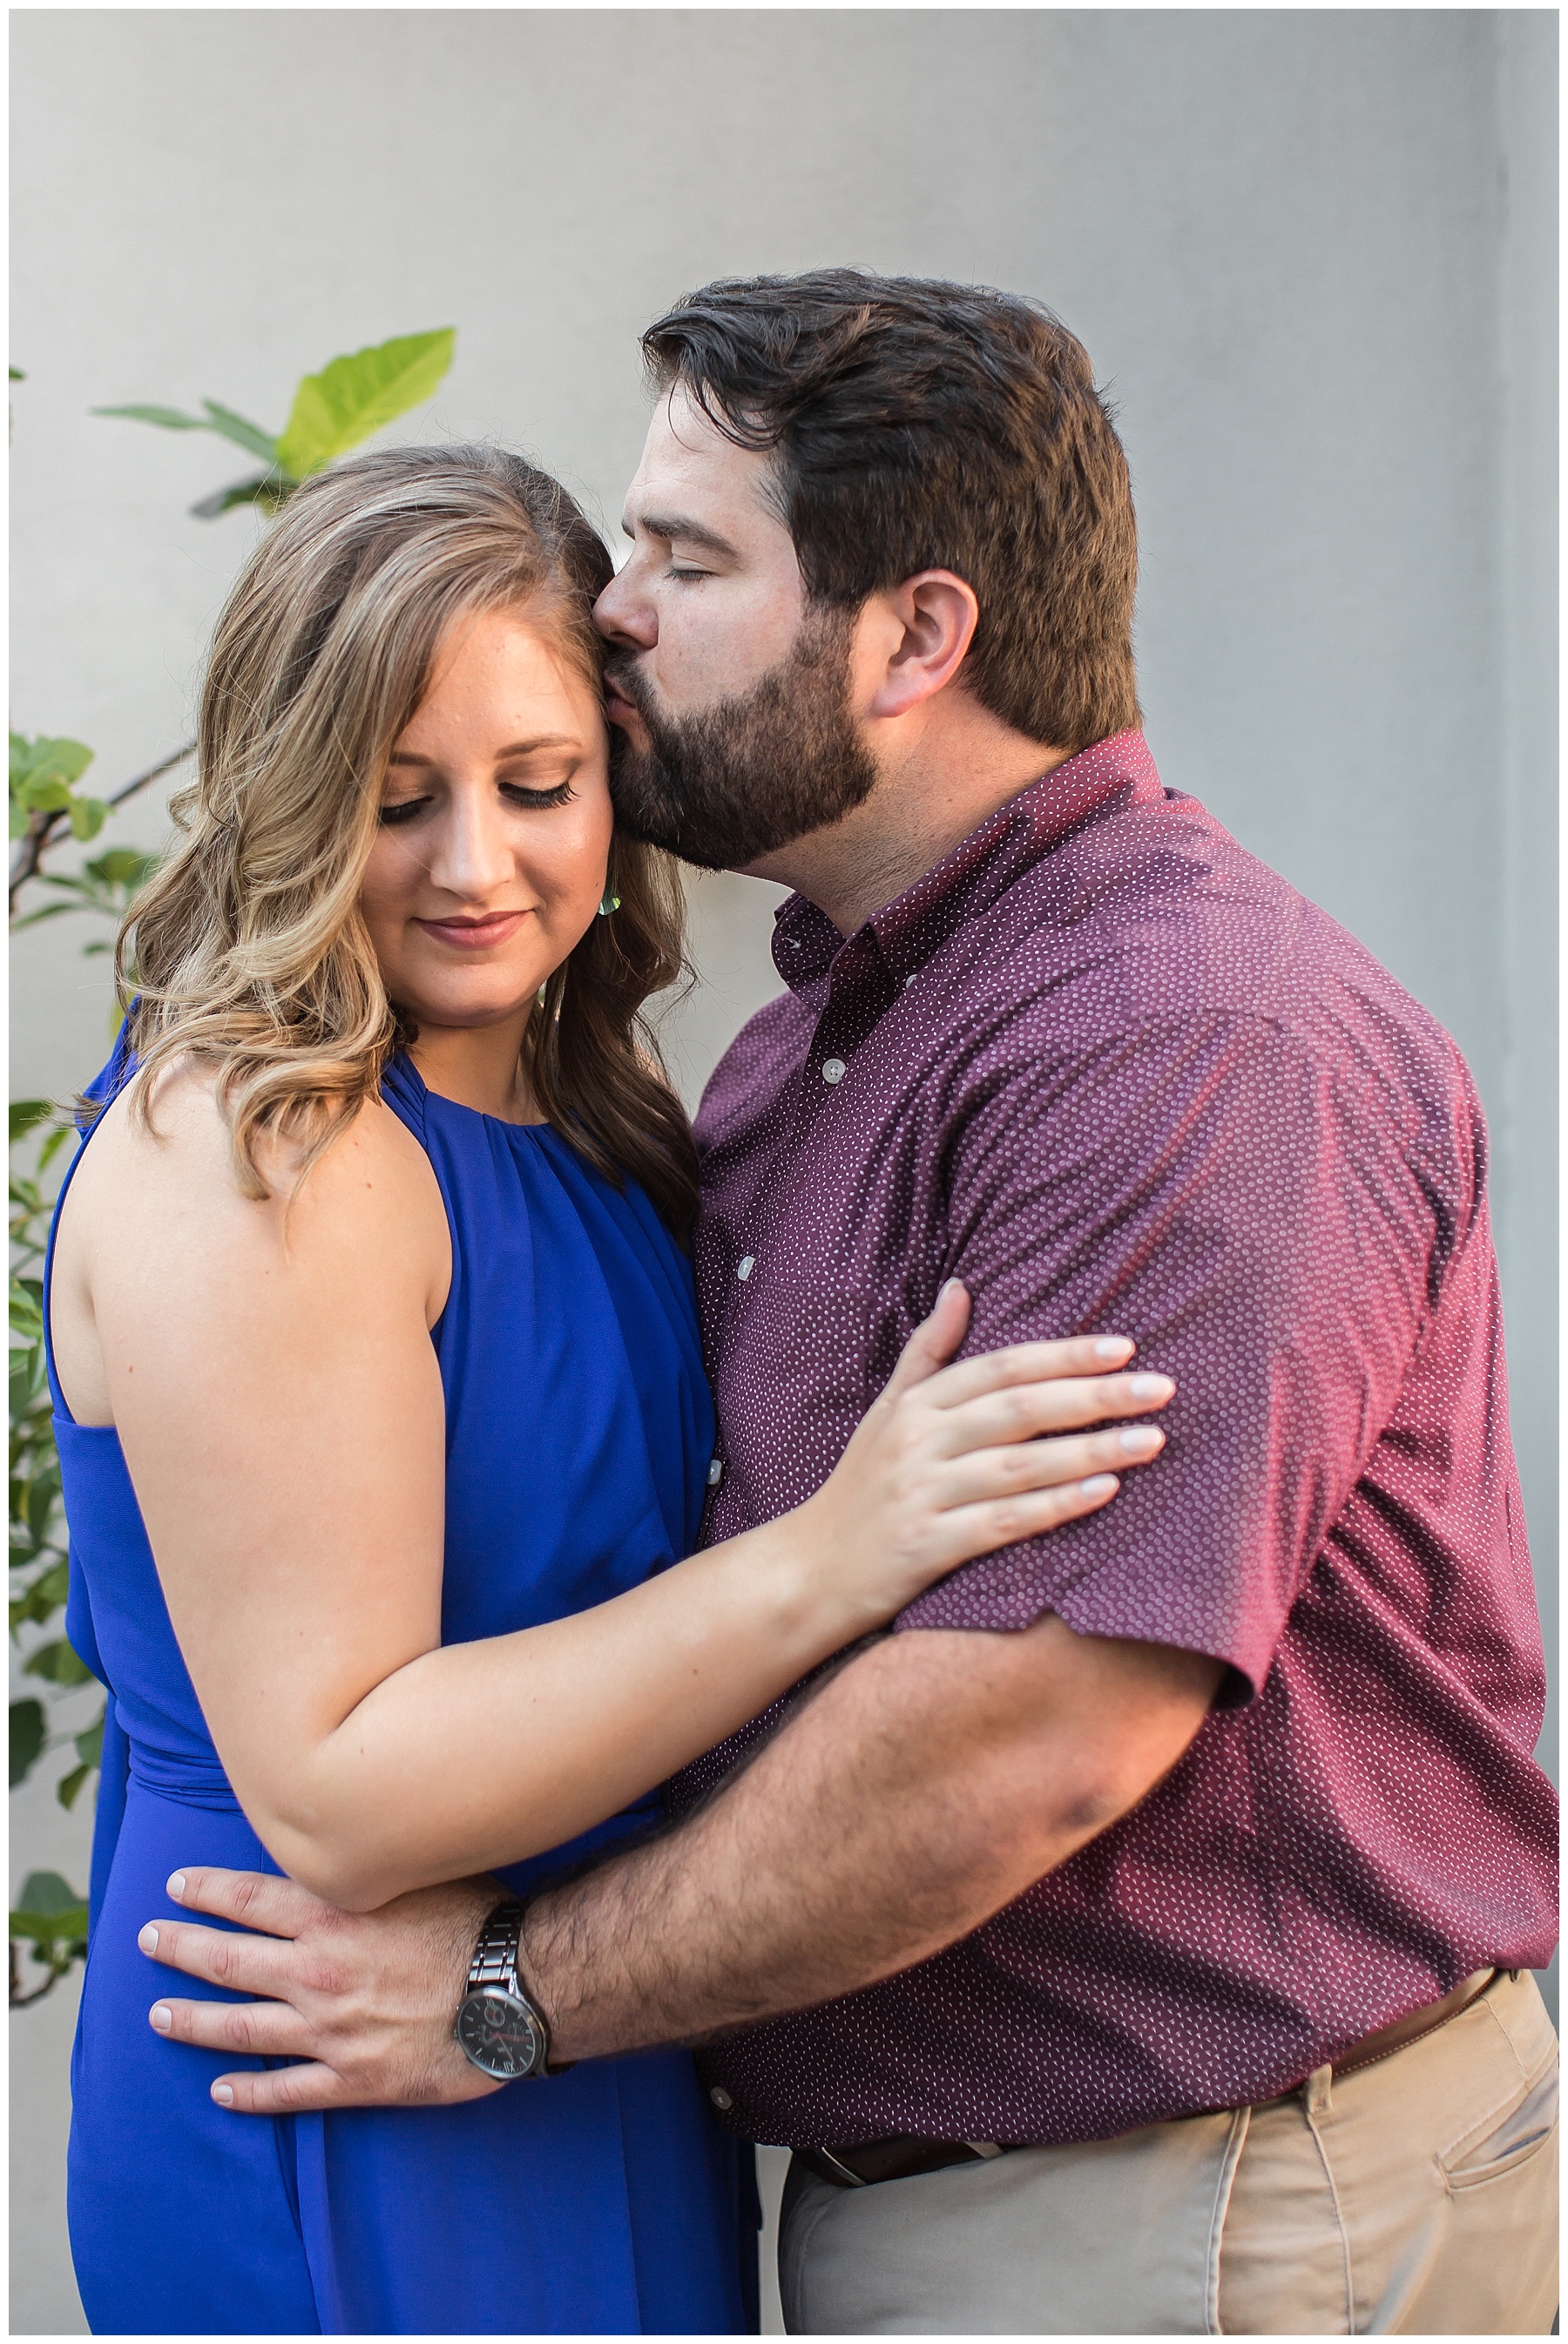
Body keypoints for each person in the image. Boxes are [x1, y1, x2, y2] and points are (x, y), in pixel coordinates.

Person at [144, 274, 1558, 2335]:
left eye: (687, 556)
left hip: (1205, 2213)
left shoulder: (1182, 1040)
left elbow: (1032, 1731)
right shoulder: (804, 1044)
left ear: (916, 633)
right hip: (954, 2206)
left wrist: (514, 1998)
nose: (615, 606)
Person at [47, 439, 1178, 2337]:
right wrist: (838, 1555)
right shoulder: (263, 1148)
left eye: (540, 784)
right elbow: (340, 1785)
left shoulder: (593, 1117)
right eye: (396, 801)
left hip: (549, 2022)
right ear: (292, 797)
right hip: (328, 2046)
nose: (478, 864)